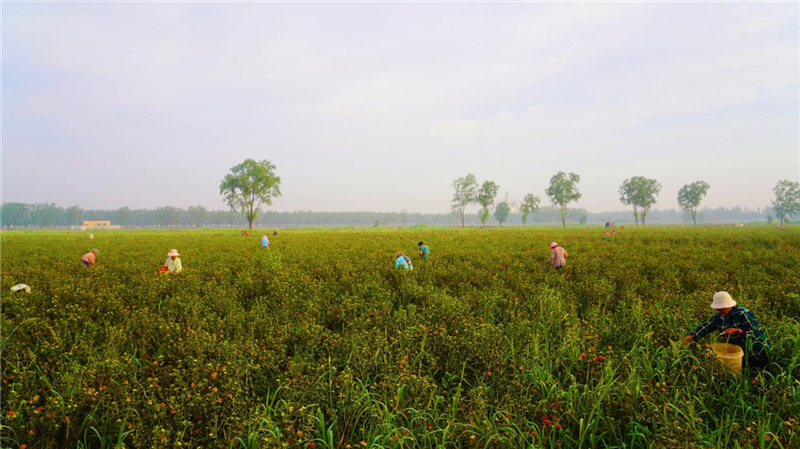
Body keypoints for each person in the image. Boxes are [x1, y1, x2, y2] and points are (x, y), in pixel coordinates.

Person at [683, 292, 770, 369]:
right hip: (740, 351)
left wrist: (737, 331)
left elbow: (755, 334)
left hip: (758, 350)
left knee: (759, 374)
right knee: (740, 372)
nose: (721, 310)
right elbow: (706, 327)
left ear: (730, 305)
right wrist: (691, 336)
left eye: (724, 307)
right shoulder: (718, 317)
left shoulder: (742, 313)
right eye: (719, 308)